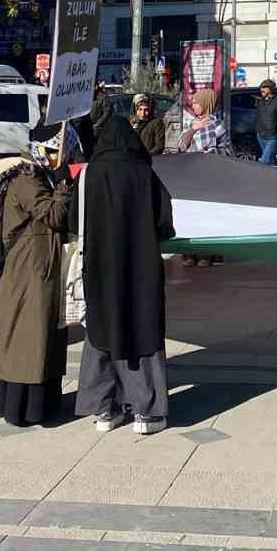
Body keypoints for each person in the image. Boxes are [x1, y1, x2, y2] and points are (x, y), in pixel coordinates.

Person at [75, 116, 174, 435]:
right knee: (142, 331)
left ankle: (104, 408)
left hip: (100, 268)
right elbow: (164, 220)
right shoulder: (144, 173)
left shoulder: (89, 174)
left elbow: (70, 219)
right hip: (140, 268)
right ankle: (147, 412)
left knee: (101, 331)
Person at [0, 156, 73, 426]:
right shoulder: (27, 180)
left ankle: (38, 402)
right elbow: (55, 215)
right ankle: (23, 407)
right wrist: (62, 186)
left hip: (36, 264)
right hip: (31, 268)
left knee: (41, 335)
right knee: (30, 335)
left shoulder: (35, 177)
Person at [177, 89, 228, 155]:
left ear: (205, 103)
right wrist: (192, 130)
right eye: (192, 103)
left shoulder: (217, 125)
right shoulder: (193, 123)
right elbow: (181, 148)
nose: (193, 106)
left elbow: (226, 151)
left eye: (195, 103)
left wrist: (211, 153)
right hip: (190, 163)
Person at [253, 80, 277, 165]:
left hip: (272, 138)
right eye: (261, 88)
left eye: (264, 88)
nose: (261, 90)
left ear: (270, 89)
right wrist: (257, 131)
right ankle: (276, 176)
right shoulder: (261, 101)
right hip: (261, 136)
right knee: (271, 160)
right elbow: (258, 117)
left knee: (264, 161)